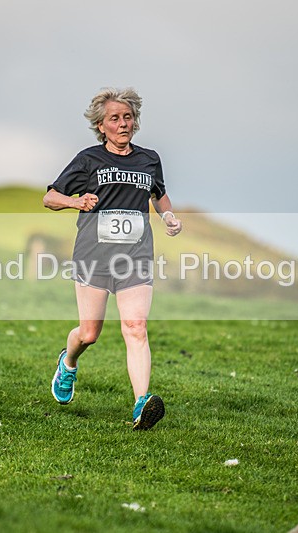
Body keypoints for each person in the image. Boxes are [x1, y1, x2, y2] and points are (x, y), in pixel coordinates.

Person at [43, 87, 182, 430]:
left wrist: (168, 218)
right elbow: (50, 197)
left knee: (136, 327)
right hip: (93, 256)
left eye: (128, 117)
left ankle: (141, 404)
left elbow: (158, 195)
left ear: (135, 122)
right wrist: (77, 202)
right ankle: (68, 364)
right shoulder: (89, 159)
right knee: (89, 333)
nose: (122, 124)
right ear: (101, 125)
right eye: (114, 119)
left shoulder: (149, 159)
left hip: (136, 256)